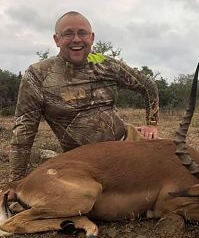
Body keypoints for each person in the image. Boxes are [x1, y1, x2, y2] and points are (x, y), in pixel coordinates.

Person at [9, 11, 159, 182]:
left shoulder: (105, 64)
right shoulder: (37, 75)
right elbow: (23, 133)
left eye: (82, 33)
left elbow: (148, 85)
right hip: (84, 162)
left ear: (92, 37)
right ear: (56, 39)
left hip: (128, 142)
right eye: (68, 33)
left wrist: (152, 125)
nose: (76, 39)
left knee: (175, 165)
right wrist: (15, 182)